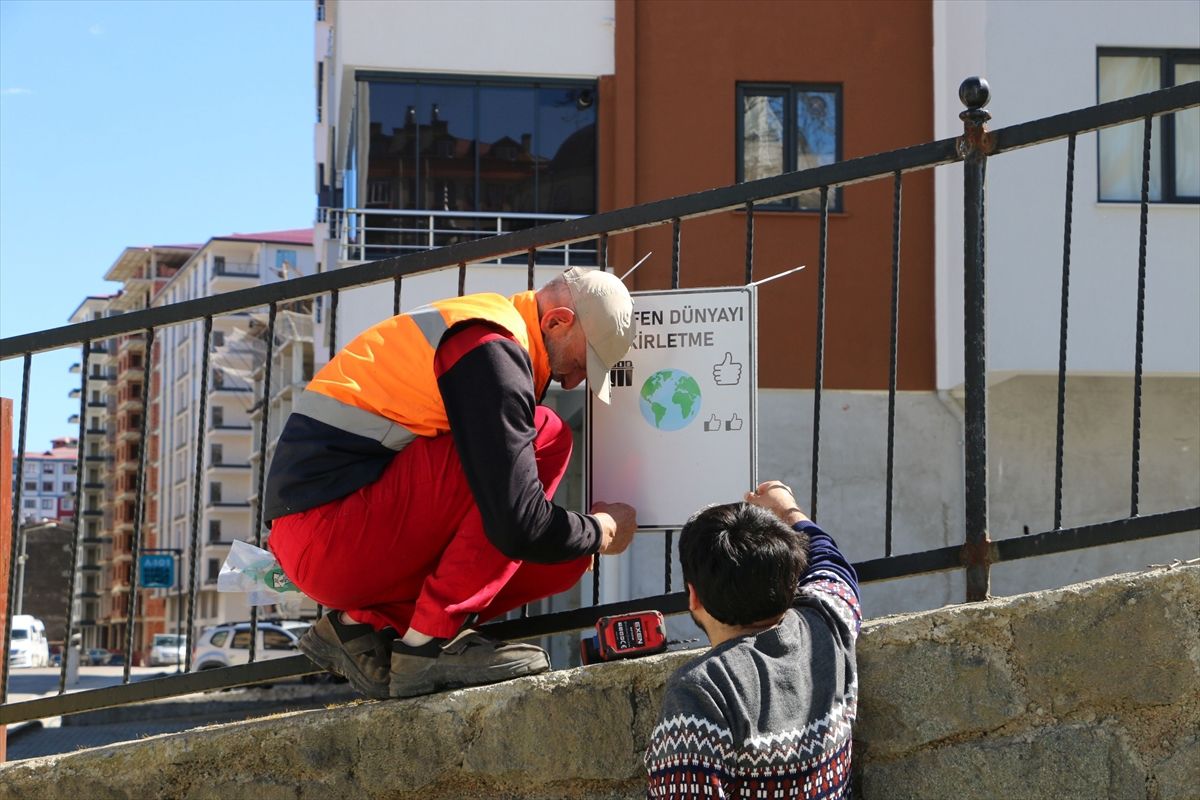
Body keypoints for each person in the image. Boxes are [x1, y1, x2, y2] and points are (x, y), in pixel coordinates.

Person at [264, 267, 639, 699]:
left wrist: (584, 540)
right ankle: (430, 644)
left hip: (329, 534)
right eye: (581, 361)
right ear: (557, 321)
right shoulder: (487, 345)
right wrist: (602, 530)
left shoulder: (490, 338)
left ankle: (360, 628)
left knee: (565, 558)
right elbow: (515, 523)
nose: (575, 381)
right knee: (547, 434)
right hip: (327, 531)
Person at [644, 480, 861, 799]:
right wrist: (788, 510)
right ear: (792, 578)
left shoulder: (701, 691)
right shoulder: (827, 626)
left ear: (693, 597)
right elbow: (831, 566)